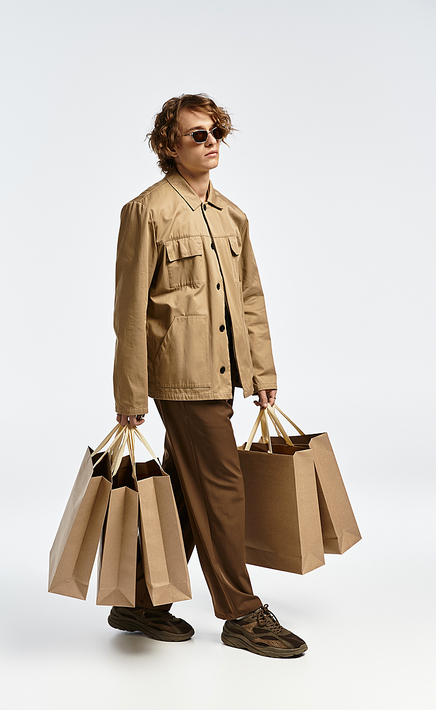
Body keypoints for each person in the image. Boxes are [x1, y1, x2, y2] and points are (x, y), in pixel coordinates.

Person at [108, 94, 307, 658]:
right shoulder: (146, 211)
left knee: (186, 486)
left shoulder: (231, 215)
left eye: (216, 130)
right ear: (167, 145)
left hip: (224, 375)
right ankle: (242, 613)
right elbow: (129, 311)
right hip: (180, 377)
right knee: (222, 487)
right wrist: (131, 392)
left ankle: (142, 602)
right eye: (197, 134)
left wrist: (261, 373)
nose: (211, 141)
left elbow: (250, 299)